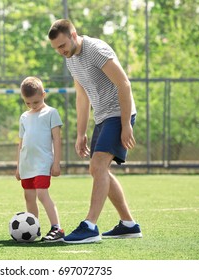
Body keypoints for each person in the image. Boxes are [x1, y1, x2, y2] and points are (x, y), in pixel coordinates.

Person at [48, 19, 142, 243]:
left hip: (118, 113)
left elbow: (124, 84)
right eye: (56, 49)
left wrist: (126, 122)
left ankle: (90, 226)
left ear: (73, 34)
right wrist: (81, 133)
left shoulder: (96, 50)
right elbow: (82, 97)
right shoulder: (71, 60)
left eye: (62, 45)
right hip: (102, 117)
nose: (61, 51)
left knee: (98, 165)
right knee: (99, 169)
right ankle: (129, 224)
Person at [15, 76, 65, 242]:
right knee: (29, 197)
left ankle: (57, 228)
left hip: (43, 163)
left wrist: (56, 163)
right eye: (27, 103)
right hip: (27, 164)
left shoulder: (51, 113)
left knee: (42, 194)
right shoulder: (24, 117)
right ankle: (33, 228)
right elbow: (21, 143)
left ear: (44, 94)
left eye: (35, 102)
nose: (32, 106)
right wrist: (18, 166)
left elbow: (57, 139)